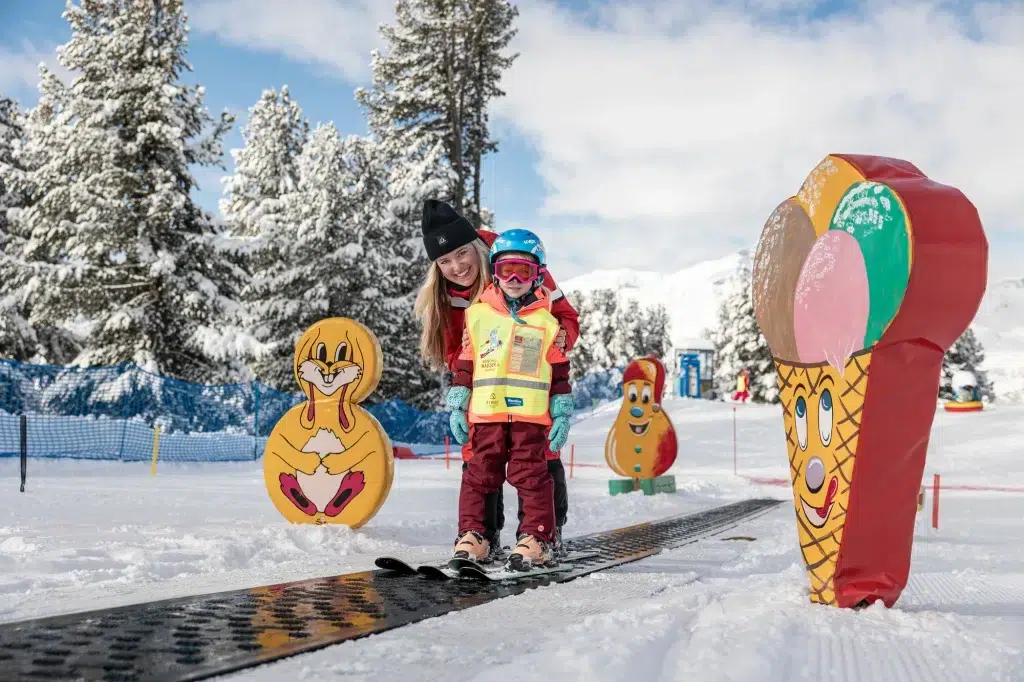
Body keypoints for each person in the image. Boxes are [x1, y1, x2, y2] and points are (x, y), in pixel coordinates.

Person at [413, 200, 579, 559]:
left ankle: (544, 533)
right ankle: (480, 535)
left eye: (461, 254)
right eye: (444, 262)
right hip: (483, 382)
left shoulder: (515, 261)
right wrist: (465, 386)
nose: (456, 267)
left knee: (538, 453)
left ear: (476, 247)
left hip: (531, 375)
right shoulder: (446, 294)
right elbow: (458, 348)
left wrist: (560, 339)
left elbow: (563, 317)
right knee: (479, 456)